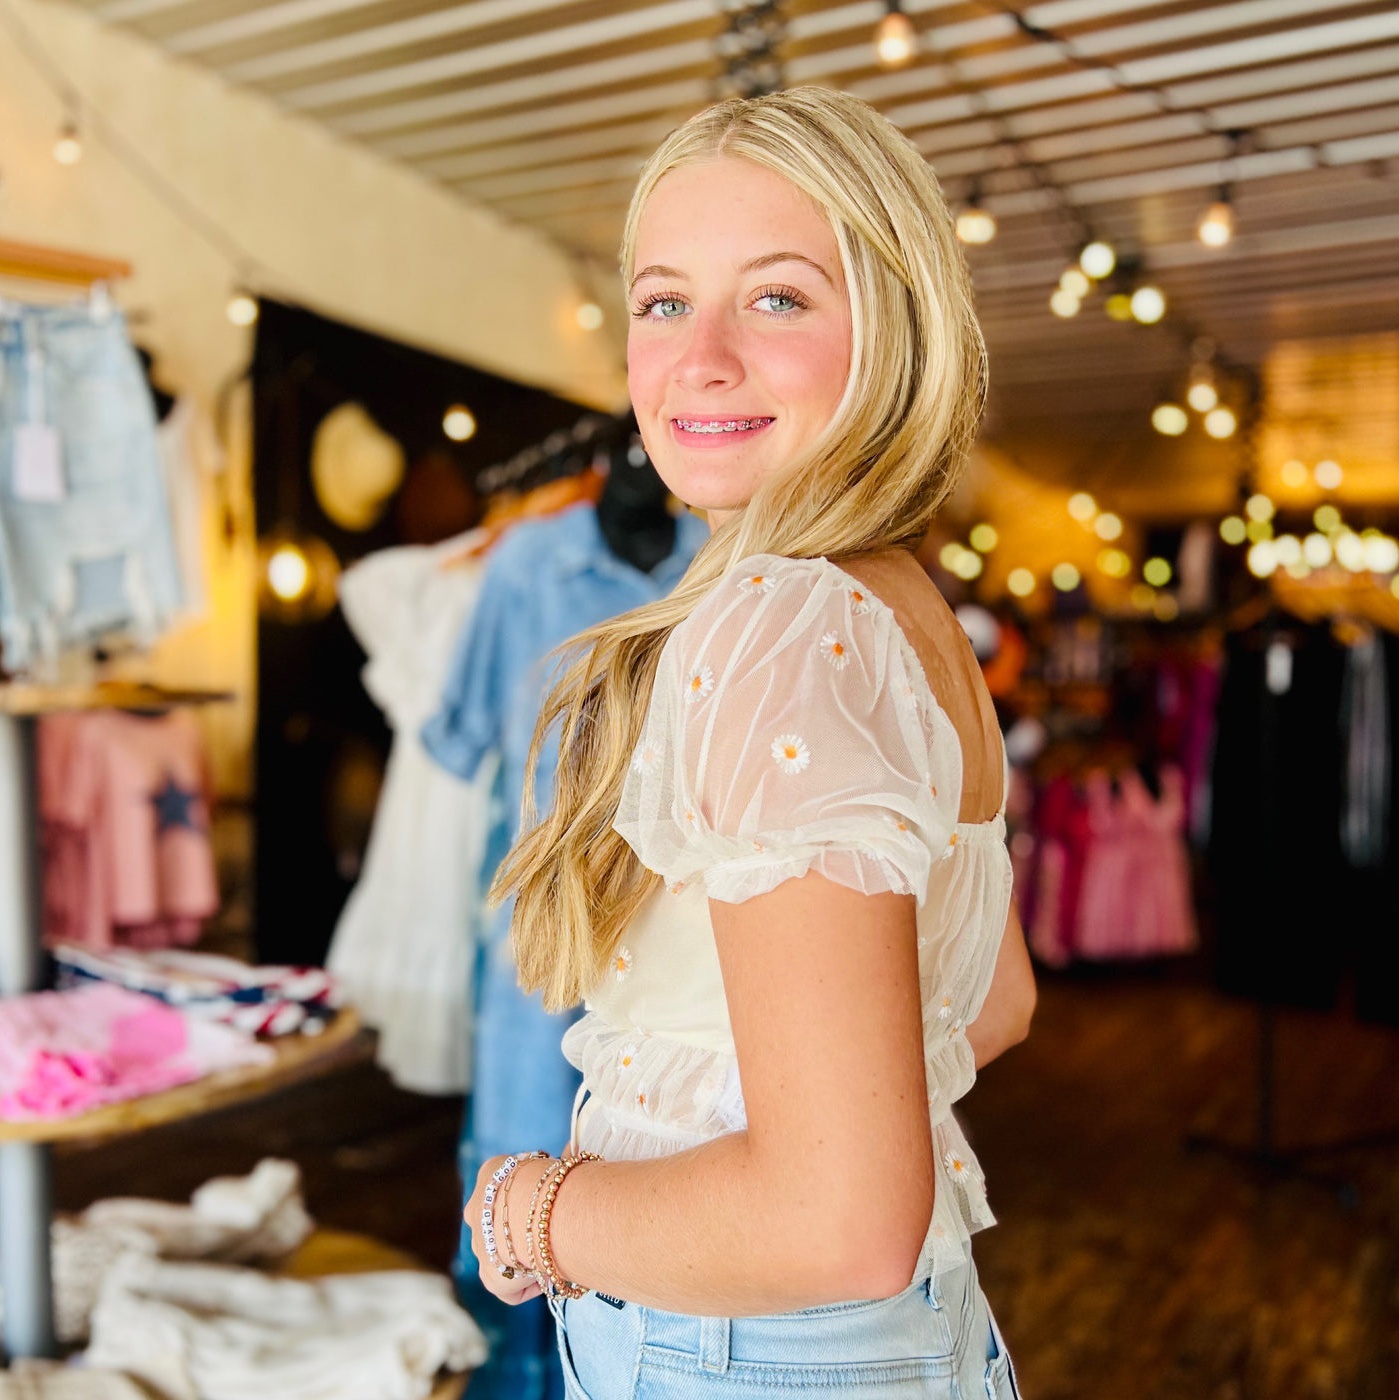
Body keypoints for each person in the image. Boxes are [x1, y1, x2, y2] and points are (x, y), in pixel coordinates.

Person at [463, 86, 1036, 1398]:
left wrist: (536, 1213)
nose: (699, 356)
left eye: (776, 298)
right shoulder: (900, 607)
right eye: (664, 301)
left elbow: (839, 1219)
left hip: (751, 1355)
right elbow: (994, 1001)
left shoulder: (779, 627)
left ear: (888, 329)